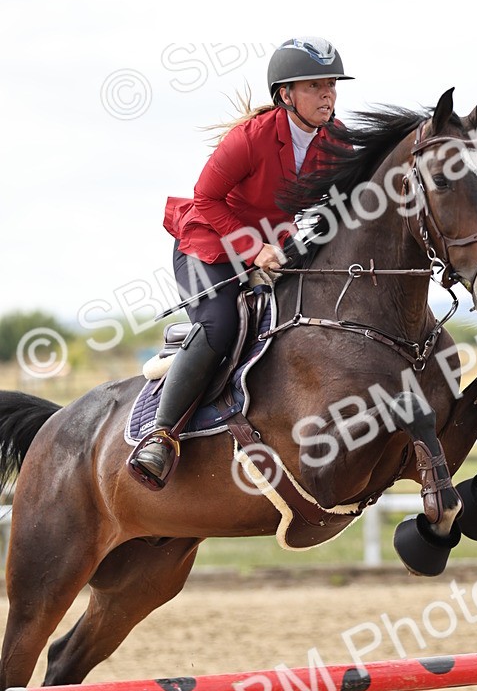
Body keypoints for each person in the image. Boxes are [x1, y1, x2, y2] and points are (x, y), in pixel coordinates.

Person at [128, 37, 354, 490]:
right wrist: (254, 250)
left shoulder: (337, 141)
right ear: (286, 95)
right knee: (219, 326)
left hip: (273, 245)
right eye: (314, 86)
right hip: (207, 243)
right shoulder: (251, 138)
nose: (328, 95)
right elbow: (206, 198)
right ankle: (161, 434)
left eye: (332, 84)